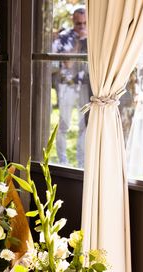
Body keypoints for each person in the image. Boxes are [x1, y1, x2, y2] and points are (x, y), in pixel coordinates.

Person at [52, 5, 89, 168]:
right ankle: (63, 160)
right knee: (64, 124)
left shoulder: (93, 37)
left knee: (84, 125)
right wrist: (79, 44)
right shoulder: (64, 37)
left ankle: (82, 162)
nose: (82, 27)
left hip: (86, 87)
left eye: (85, 23)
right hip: (67, 85)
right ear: (72, 21)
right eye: (78, 23)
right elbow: (67, 64)